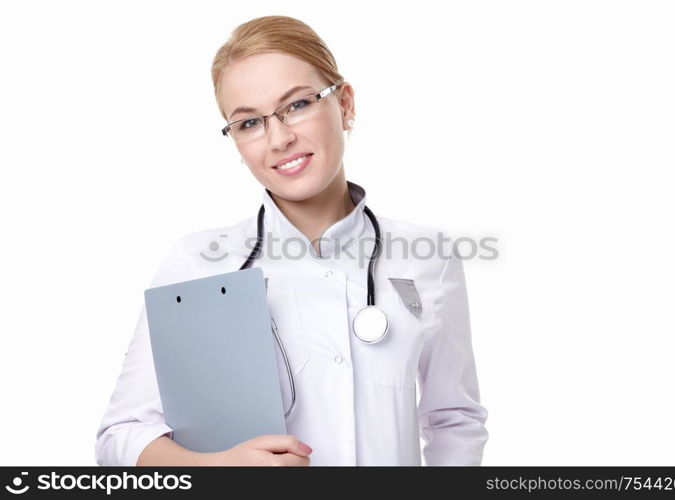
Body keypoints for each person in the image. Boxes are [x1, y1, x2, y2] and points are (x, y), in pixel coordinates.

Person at [94, 15, 488, 467]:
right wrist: (216, 468)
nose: (279, 138)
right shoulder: (198, 262)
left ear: (345, 104)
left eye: (298, 105)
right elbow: (120, 436)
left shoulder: (429, 258)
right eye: (249, 123)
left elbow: (454, 419)